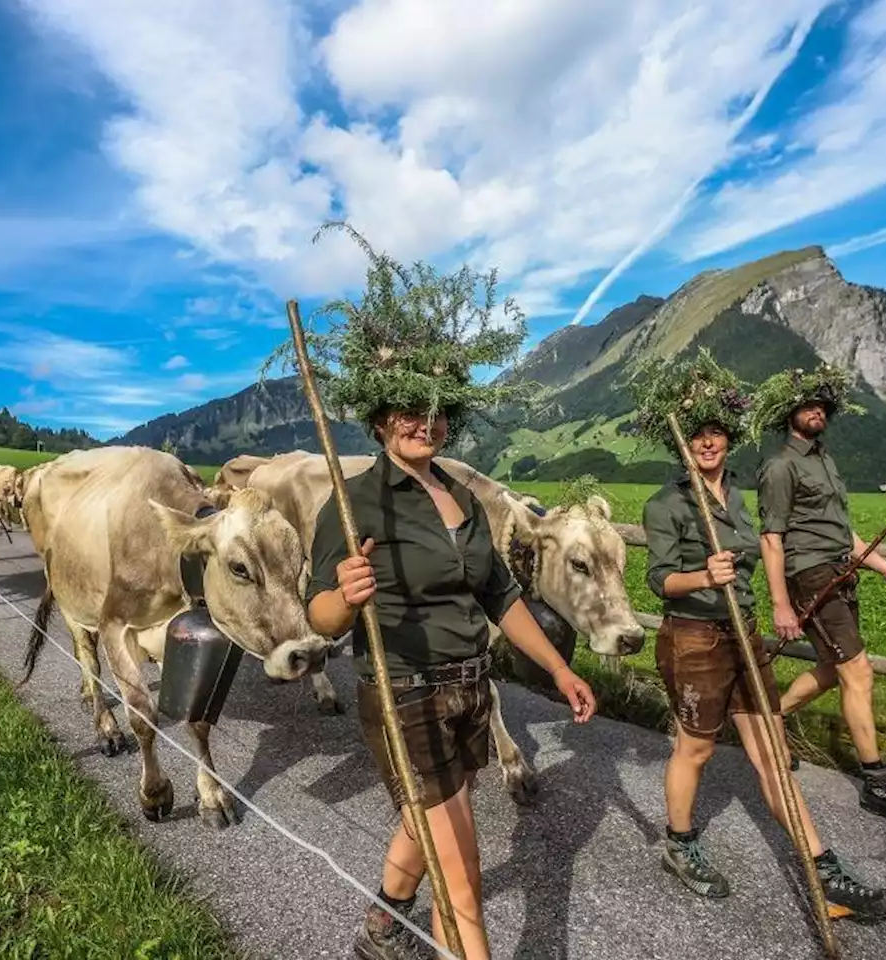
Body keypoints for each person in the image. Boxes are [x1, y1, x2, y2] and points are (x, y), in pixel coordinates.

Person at [284, 223, 598, 960]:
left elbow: (501, 596)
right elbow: (318, 617)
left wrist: (558, 669)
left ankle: (382, 920)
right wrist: (346, 594)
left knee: (426, 826)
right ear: (381, 416)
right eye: (406, 409)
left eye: (435, 407)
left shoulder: (461, 495)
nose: (423, 420)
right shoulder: (352, 501)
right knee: (462, 859)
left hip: (470, 688)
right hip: (405, 692)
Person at [636, 350, 886, 923]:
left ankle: (823, 871)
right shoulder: (666, 503)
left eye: (717, 433)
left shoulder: (737, 498)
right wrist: (704, 574)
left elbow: (768, 550)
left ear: (728, 439)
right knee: (697, 747)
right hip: (695, 638)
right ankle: (679, 845)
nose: (708, 443)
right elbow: (659, 580)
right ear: (681, 443)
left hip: (745, 633)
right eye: (698, 434)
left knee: (772, 753)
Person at [752, 365, 886, 836]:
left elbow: (847, 535)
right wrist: (780, 604)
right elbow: (772, 539)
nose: (819, 411)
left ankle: (767, 720)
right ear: (789, 411)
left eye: (825, 406)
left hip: (840, 573)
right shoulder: (780, 467)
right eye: (809, 404)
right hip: (809, 575)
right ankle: (878, 783)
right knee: (859, 671)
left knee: (835, 671)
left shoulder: (825, 461)